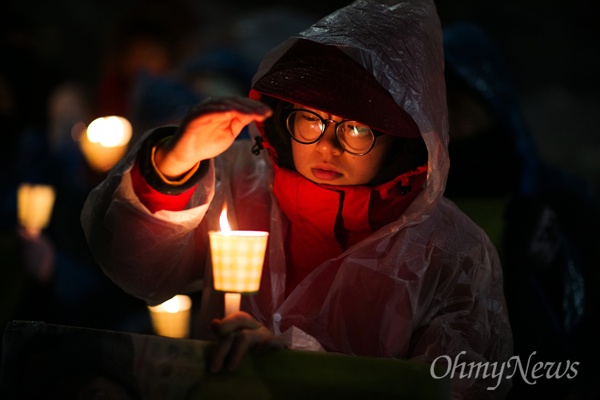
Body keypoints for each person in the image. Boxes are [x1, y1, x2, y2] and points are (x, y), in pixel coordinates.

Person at [81, 1, 513, 398]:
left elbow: (454, 387)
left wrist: (295, 363)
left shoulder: (449, 251)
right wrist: (173, 165)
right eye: (310, 119)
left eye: (357, 129)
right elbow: (136, 261)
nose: (327, 147)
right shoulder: (242, 187)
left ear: (402, 143)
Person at [443, 22, 600, 399]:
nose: (448, 120)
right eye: (438, 103)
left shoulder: (552, 207)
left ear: (493, 105)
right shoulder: (408, 198)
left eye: (460, 103)